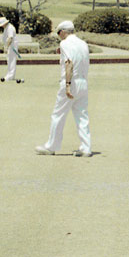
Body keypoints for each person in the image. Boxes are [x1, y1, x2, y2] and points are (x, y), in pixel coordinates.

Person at [35, 21, 91, 157]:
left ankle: (51, 146)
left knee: (58, 115)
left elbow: (69, 63)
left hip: (72, 81)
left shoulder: (65, 43)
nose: (59, 37)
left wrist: (67, 85)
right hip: (83, 82)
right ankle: (86, 148)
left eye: (59, 34)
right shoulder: (83, 43)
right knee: (82, 116)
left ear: (64, 32)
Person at [0, 16, 18, 81]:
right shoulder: (6, 27)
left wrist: (6, 47)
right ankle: (9, 74)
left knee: (11, 60)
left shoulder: (10, 28)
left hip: (12, 46)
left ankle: (11, 76)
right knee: (9, 60)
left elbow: (10, 38)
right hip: (10, 46)